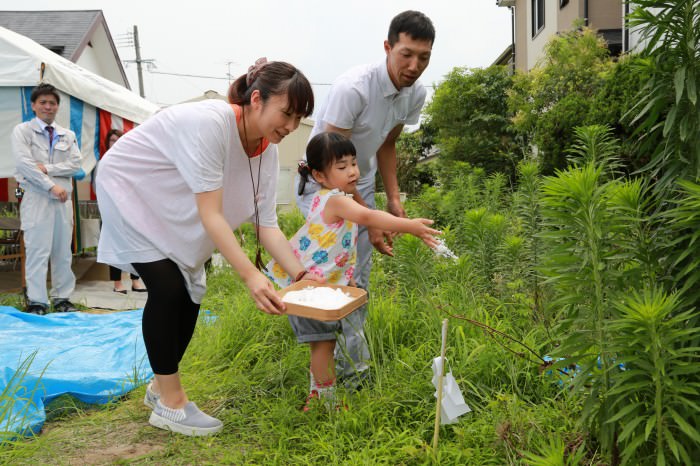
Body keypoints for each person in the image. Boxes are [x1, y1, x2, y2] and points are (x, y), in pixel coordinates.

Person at [96, 59, 319, 436]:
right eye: (288, 113)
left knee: (188, 296)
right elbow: (212, 215)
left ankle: (159, 388)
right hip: (130, 188)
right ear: (258, 99)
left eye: (299, 119)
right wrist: (250, 275)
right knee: (167, 290)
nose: (292, 126)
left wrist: (301, 275)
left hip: (174, 201)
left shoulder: (267, 151)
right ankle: (172, 402)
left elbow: (266, 225)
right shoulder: (212, 123)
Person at [295, 10, 435, 388]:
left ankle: (354, 368)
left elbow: (387, 144)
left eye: (423, 56)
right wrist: (369, 218)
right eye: (406, 54)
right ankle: (325, 365)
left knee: (358, 276)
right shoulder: (353, 88)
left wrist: (392, 199)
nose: (414, 65)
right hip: (325, 187)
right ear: (388, 47)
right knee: (331, 274)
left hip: (361, 181)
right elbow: (331, 166)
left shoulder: (415, 92)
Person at [268, 132, 440, 410]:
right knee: (323, 345)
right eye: (341, 166)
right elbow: (369, 216)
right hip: (312, 289)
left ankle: (318, 395)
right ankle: (325, 402)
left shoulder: (327, 197)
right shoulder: (335, 200)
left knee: (322, 345)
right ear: (320, 175)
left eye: (353, 163)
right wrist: (412, 226)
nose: (352, 171)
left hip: (313, 287)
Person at [12, 83, 81, 315]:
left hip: (63, 201)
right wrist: (51, 186)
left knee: (63, 251)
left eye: (52, 103)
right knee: (37, 251)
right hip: (37, 198)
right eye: (43, 102)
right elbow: (26, 165)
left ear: (57, 107)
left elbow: (75, 165)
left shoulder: (67, 134)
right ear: (33, 105)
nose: (48, 107)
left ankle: (62, 298)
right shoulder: (22, 131)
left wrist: (48, 169)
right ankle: (37, 301)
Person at [100, 129, 147, 294]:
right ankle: (117, 284)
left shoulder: (130, 161)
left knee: (134, 245)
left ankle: (136, 281)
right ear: (108, 143)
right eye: (112, 140)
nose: (115, 142)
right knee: (114, 247)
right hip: (112, 210)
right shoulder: (105, 161)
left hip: (131, 210)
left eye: (119, 139)